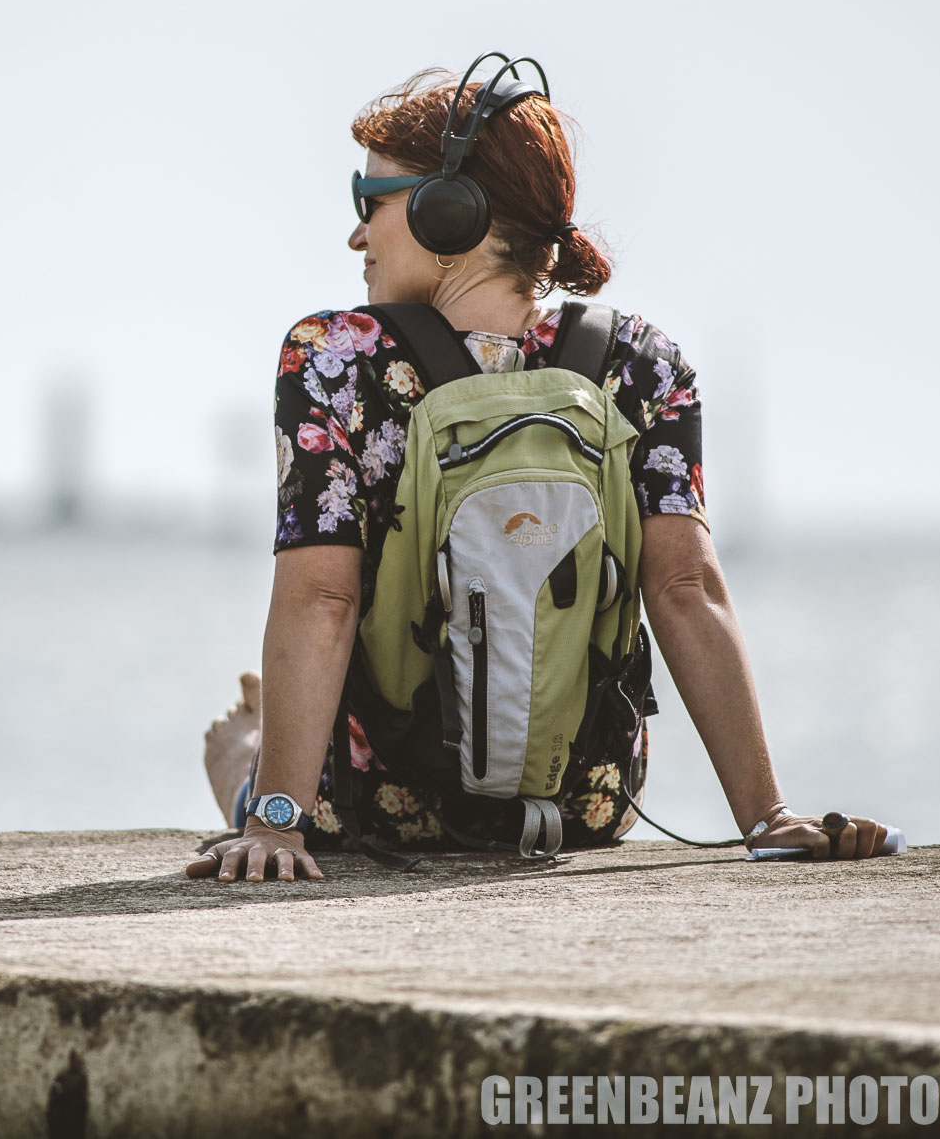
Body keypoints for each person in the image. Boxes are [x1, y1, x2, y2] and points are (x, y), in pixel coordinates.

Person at [190, 62, 889, 884]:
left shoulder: (335, 359)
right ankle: (261, 738)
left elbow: (325, 598)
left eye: (369, 203)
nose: (355, 237)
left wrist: (279, 817)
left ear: (447, 212)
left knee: (247, 762)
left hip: (378, 806)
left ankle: (247, 751)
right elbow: (684, 590)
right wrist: (769, 818)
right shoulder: (641, 363)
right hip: (586, 811)